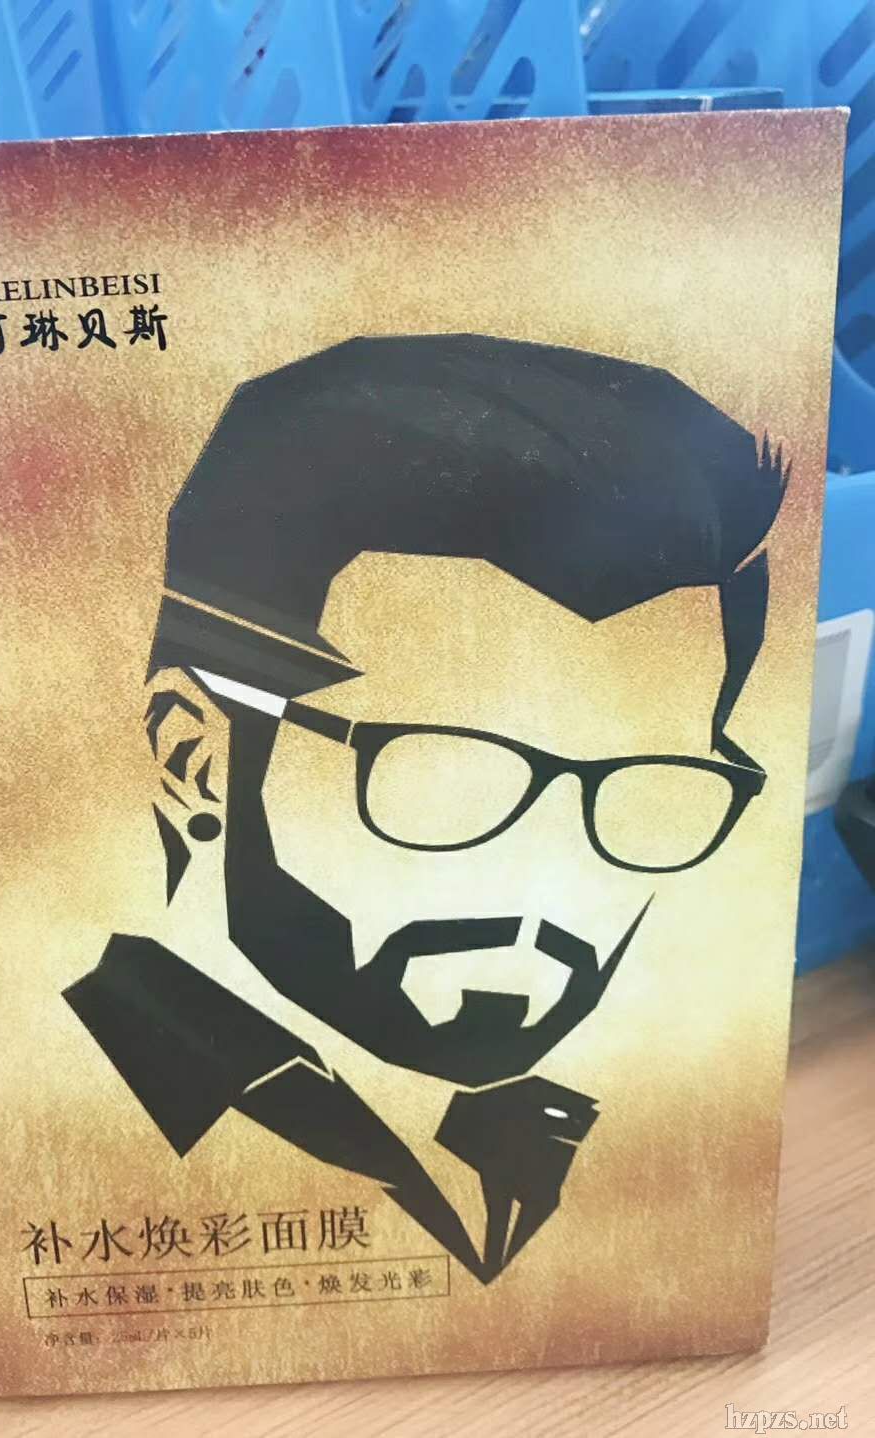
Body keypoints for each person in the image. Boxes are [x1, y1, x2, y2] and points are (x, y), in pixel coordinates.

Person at [65, 334, 786, 1284]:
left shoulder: (617, 1136)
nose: (554, 888)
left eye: (651, 784)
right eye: (449, 777)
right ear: (194, 757)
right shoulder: (86, 1134)